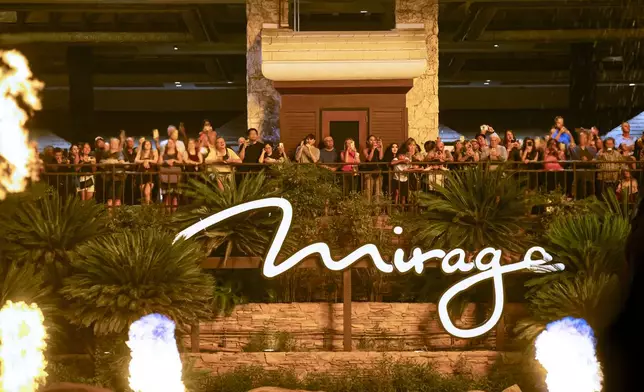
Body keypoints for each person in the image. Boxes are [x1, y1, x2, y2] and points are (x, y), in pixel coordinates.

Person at [158, 139, 183, 213]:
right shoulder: (163, 153)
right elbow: (159, 162)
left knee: (175, 197)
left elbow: (181, 161)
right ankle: (168, 214)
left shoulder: (177, 153)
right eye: (169, 142)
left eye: (172, 142)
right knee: (167, 197)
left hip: (175, 177)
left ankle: (174, 214)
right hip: (165, 177)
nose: (170, 144)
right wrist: (166, 161)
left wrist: (174, 160)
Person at [101, 138, 126, 209]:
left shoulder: (120, 152)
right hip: (108, 178)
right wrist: (112, 161)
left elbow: (122, 162)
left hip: (119, 177)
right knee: (109, 200)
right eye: (112, 143)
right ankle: (109, 218)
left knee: (118, 200)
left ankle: (117, 218)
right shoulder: (105, 153)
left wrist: (111, 161)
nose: (113, 144)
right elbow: (102, 163)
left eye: (115, 143)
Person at [135, 139, 158, 205]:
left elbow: (155, 160)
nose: (147, 145)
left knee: (147, 192)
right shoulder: (141, 152)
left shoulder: (154, 151)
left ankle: (148, 208)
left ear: (151, 145)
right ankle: (146, 207)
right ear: (143, 145)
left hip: (151, 174)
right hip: (142, 173)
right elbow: (136, 160)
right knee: (144, 194)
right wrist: (144, 161)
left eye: (149, 144)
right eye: (146, 144)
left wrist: (148, 161)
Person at [362, 135, 384, 202]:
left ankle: (376, 210)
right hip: (368, 172)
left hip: (377, 171)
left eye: (374, 140)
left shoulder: (378, 149)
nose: (373, 141)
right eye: (371, 140)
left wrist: (381, 146)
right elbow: (369, 159)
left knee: (377, 191)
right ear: (368, 142)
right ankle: (368, 209)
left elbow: (380, 158)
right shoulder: (365, 150)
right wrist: (373, 149)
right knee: (368, 190)